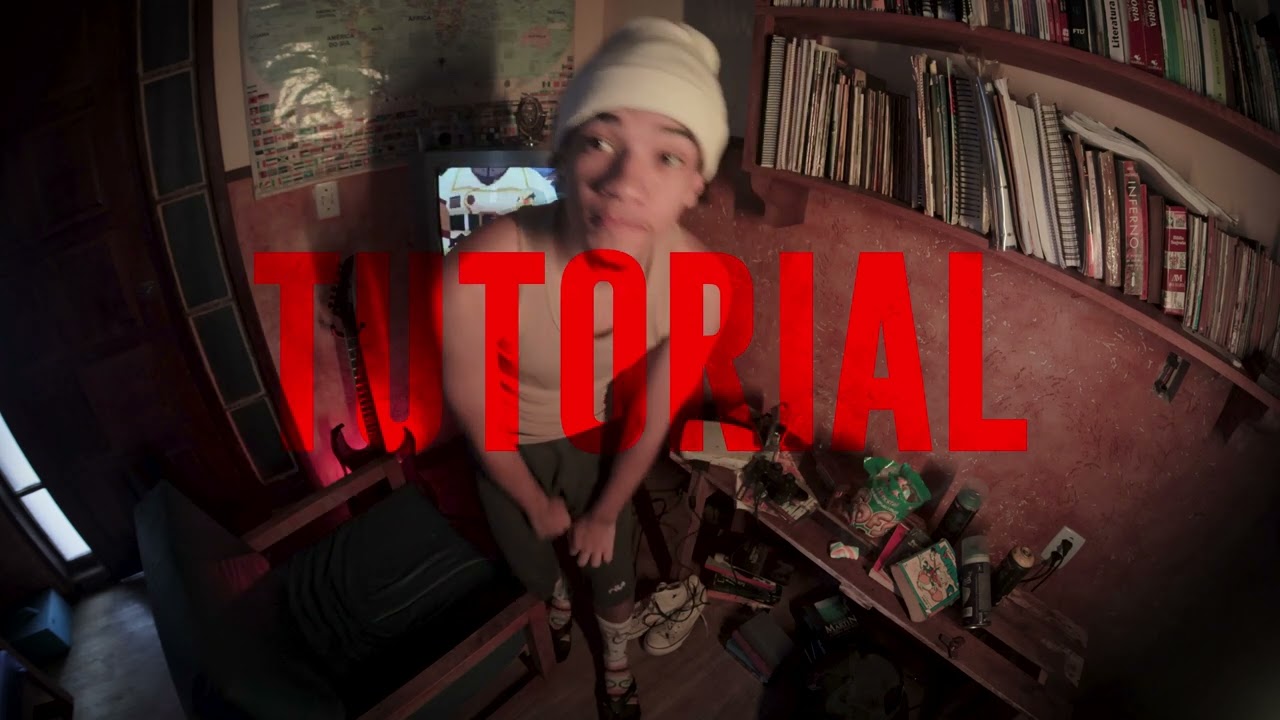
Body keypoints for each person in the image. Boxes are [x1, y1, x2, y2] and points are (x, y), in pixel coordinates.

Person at [438, 17, 731, 720]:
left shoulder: (700, 286)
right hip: (505, 444)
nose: (626, 183)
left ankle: (618, 666)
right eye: (600, 141)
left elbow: (654, 415)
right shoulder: (483, 265)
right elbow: (475, 408)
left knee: (613, 563)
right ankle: (558, 605)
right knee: (534, 565)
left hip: (590, 431)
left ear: (695, 184)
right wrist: (534, 501)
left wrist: (602, 510)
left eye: (668, 156)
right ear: (564, 155)